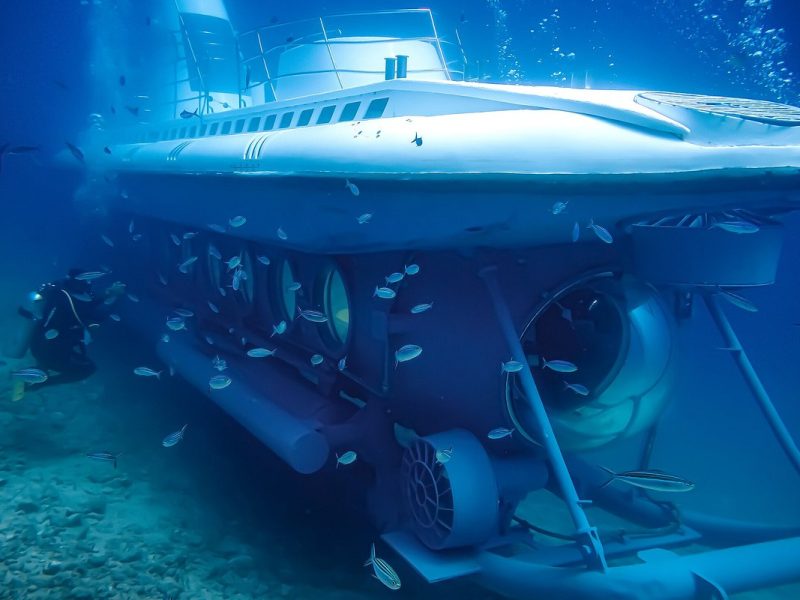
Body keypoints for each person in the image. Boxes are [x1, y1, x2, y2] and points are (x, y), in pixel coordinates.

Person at [5, 269, 125, 387]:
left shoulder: (56, 292)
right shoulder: (72, 302)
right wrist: (112, 295)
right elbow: (96, 315)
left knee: (49, 353)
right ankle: (41, 383)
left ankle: (36, 372)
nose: (89, 285)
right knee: (88, 369)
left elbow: (87, 304)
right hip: (53, 353)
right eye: (86, 281)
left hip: (37, 346)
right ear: (79, 283)